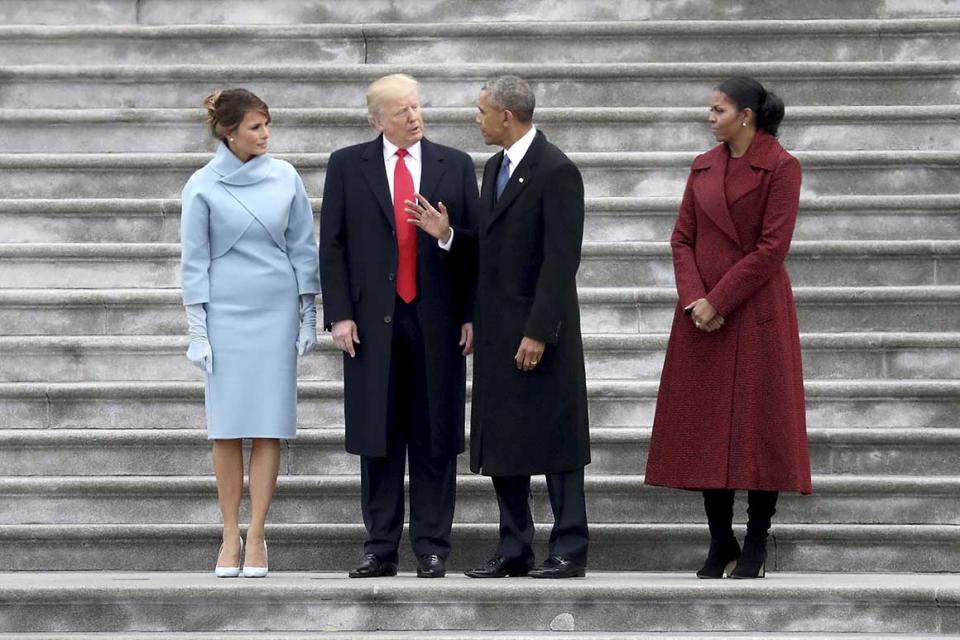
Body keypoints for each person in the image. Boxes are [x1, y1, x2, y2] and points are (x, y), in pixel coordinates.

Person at [407, 75, 590, 579]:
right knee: (505, 442)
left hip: (541, 333)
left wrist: (538, 331)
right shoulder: (495, 168)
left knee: (557, 442)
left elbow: (560, 262)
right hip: (497, 331)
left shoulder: (556, 171)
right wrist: (448, 236)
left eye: (482, 110)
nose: (477, 118)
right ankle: (515, 547)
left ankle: (569, 547)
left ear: (506, 115)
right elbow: (493, 250)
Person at [644, 76, 812, 579]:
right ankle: (721, 540)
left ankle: (756, 541)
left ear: (746, 116)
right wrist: (696, 299)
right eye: (710, 109)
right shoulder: (703, 166)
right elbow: (681, 239)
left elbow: (771, 249)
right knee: (705, 429)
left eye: (718, 110)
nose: (709, 117)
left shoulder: (781, 167)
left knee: (761, 429)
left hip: (755, 313)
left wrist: (718, 299)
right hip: (701, 318)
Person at [319, 74, 478, 579]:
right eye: (401, 111)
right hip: (372, 322)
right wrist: (340, 313)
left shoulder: (455, 164)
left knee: (435, 437)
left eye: (416, 107)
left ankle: (432, 546)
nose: (414, 117)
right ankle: (379, 546)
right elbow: (334, 244)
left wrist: (447, 235)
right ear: (377, 120)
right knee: (378, 436)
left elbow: (476, 245)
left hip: (437, 318)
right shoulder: (347, 165)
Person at [180, 88, 321, 578]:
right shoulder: (201, 186)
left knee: (268, 425)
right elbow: (193, 263)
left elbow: (303, 247)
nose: (265, 134)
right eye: (256, 127)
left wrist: (308, 312)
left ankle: (257, 533)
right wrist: (198, 331)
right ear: (229, 131)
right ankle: (228, 535)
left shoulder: (286, 177)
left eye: (267, 125)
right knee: (226, 428)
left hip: (275, 310)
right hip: (225, 312)